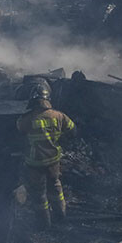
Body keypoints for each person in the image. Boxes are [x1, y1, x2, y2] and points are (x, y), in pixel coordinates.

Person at [16, 82, 76, 228]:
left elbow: (18, 130)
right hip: (54, 161)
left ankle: (44, 224)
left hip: (35, 163)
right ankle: (61, 216)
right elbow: (73, 131)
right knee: (56, 187)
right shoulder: (59, 116)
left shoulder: (27, 119)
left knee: (40, 194)